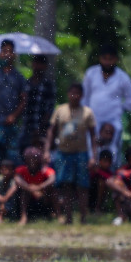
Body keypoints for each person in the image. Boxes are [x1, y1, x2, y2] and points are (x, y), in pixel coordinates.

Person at [43, 82, 97, 225]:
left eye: (77, 93)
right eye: (72, 93)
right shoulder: (60, 110)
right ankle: (68, 218)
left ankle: (83, 218)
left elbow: (93, 136)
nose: (75, 96)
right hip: (63, 152)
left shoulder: (87, 112)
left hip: (81, 153)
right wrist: (47, 150)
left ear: (82, 95)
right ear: (68, 94)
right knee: (66, 186)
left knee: (82, 186)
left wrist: (94, 156)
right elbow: (51, 131)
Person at [83, 44, 131, 165]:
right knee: (92, 148)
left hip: (113, 120)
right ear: (100, 58)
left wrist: (118, 109)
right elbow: (85, 98)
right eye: (104, 58)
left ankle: (113, 176)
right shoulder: (91, 73)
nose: (107, 62)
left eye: (110, 59)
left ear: (116, 59)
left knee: (113, 149)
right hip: (94, 118)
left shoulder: (123, 77)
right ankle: (93, 177)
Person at [14, 147, 56, 226]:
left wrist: (40, 187)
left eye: (34, 158)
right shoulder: (22, 169)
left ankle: (57, 214)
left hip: (43, 198)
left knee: (53, 190)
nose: (32, 161)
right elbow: (17, 179)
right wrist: (30, 188)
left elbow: (52, 179)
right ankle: (24, 216)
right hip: (28, 198)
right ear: (25, 159)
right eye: (29, 158)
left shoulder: (45, 170)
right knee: (24, 192)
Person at [23, 55, 56, 150]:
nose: (38, 66)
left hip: (42, 128)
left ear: (45, 66)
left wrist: (40, 128)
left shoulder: (48, 85)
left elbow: (50, 108)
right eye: (36, 63)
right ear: (32, 64)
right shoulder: (27, 83)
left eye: (41, 64)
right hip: (27, 126)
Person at [90, 150, 115, 214]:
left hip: (99, 196)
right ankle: (97, 208)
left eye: (109, 162)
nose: (107, 164)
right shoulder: (95, 169)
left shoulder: (109, 172)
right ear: (99, 161)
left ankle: (101, 206)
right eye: (105, 161)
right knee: (102, 182)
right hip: (90, 194)